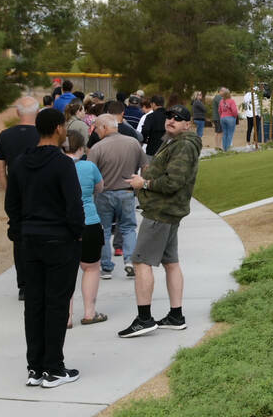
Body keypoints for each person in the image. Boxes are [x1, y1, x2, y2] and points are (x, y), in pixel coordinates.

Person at [4, 107, 84, 387]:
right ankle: (54, 368)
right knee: (57, 303)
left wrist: (18, 231)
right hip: (59, 240)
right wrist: (77, 235)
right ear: (59, 129)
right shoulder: (63, 164)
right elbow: (74, 206)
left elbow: (11, 203)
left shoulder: (19, 163)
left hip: (29, 241)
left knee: (34, 304)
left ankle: (35, 367)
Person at [117, 104, 202, 338]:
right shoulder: (175, 141)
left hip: (161, 212)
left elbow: (173, 181)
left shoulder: (184, 145)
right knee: (170, 262)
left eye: (178, 118)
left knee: (141, 261)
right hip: (168, 211)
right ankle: (176, 316)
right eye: (169, 116)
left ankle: (144, 319)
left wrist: (142, 184)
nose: (171, 120)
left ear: (188, 123)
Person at [90, 114, 147, 281]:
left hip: (104, 193)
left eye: (97, 128)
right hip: (127, 191)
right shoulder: (133, 143)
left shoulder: (97, 148)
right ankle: (130, 261)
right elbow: (145, 165)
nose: (95, 131)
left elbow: (91, 172)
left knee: (104, 230)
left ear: (105, 128)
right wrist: (140, 185)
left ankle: (106, 267)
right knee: (128, 228)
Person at [0, 96, 41, 300]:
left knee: (18, 237)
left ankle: (23, 283)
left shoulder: (5, 135)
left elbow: (0, 168)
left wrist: (8, 190)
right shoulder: (42, 135)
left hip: (16, 194)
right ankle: (38, 279)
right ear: (37, 113)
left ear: (17, 112)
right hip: (41, 193)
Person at [65, 130, 107, 326]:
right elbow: (100, 187)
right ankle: (89, 312)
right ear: (81, 149)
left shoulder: (56, 167)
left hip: (64, 226)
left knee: (65, 271)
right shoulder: (89, 167)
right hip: (89, 222)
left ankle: (65, 316)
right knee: (91, 268)